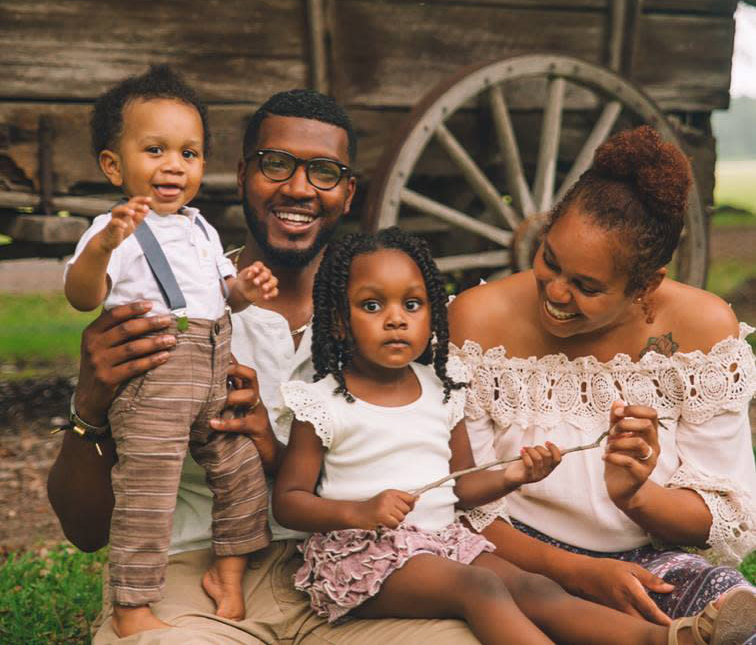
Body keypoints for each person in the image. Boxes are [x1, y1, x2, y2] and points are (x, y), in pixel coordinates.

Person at [48, 89, 479, 643]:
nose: (298, 188)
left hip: (361, 575)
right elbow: (84, 533)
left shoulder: (392, 330)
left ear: (348, 194)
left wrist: (272, 448)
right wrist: (89, 407)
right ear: (240, 172)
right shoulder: (167, 303)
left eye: (324, 172)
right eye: (276, 165)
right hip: (194, 578)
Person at [273, 226, 751, 645]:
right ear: (339, 319)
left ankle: (667, 638)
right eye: (372, 305)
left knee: (534, 587)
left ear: (432, 315)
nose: (396, 319)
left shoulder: (444, 392)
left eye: (412, 305)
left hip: (443, 545)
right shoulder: (324, 403)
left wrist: (515, 475)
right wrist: (359, 510)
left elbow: (461, 488)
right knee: (479, 589)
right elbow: (289, 500)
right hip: (367, 558)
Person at [448, 126, 756, 644]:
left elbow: (718, 518)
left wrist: (636, 494)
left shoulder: (702, 331)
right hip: (514, 558)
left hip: (649, 564)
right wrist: (576, 570)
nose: (555, 291)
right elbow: (464, 501)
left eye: (587, 286)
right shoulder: (478, 320)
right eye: (549, 259)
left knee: (730, 610)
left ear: (646, 285)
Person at [62, 65, 279, 636]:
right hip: (156, 379)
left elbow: (219, 294)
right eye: (155, 149)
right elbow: (83, 296)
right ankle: (132, 604)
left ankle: (228, 575)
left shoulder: (202, 229)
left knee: (239, 472)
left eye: (189, 153)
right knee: (147, 492)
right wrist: (104, 246)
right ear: (114, 165)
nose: (173, 166)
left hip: (210, 371)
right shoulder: (115, 229)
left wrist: (245, 291)